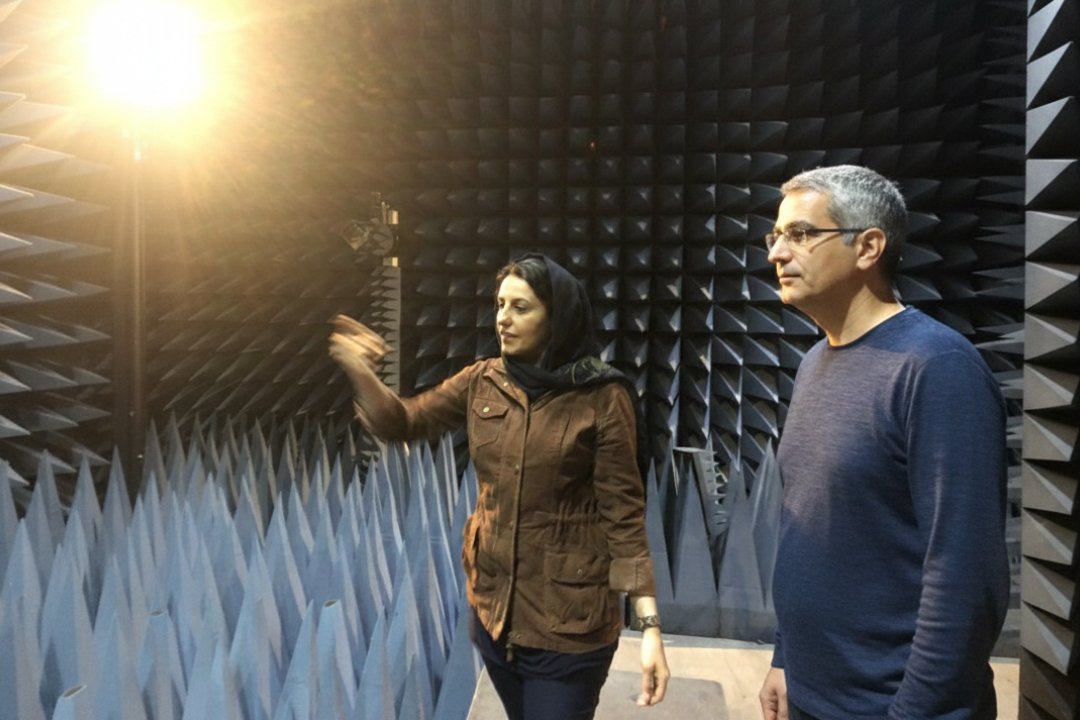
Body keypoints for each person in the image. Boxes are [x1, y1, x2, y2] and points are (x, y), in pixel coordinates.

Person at [329, 253, 669, 720]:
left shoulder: (602, 399)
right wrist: (359, 370)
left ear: (557, 317)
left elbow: (624, 519)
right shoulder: (482, 381)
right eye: (500, 304)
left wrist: (649, 626)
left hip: (568, 630)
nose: (503, 319)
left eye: (520, 307)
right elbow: (402, 422)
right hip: (493, 618)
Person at [758, 165, 1009, 720]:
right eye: (775, 235)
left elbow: (966, 578)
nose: (777, 252)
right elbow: (816, 533)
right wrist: (785, 657)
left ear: (868, 247)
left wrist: (915, 711)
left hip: (890, 706)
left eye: (800, 233)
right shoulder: (813, 363)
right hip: (812, 693)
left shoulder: (937, 368)